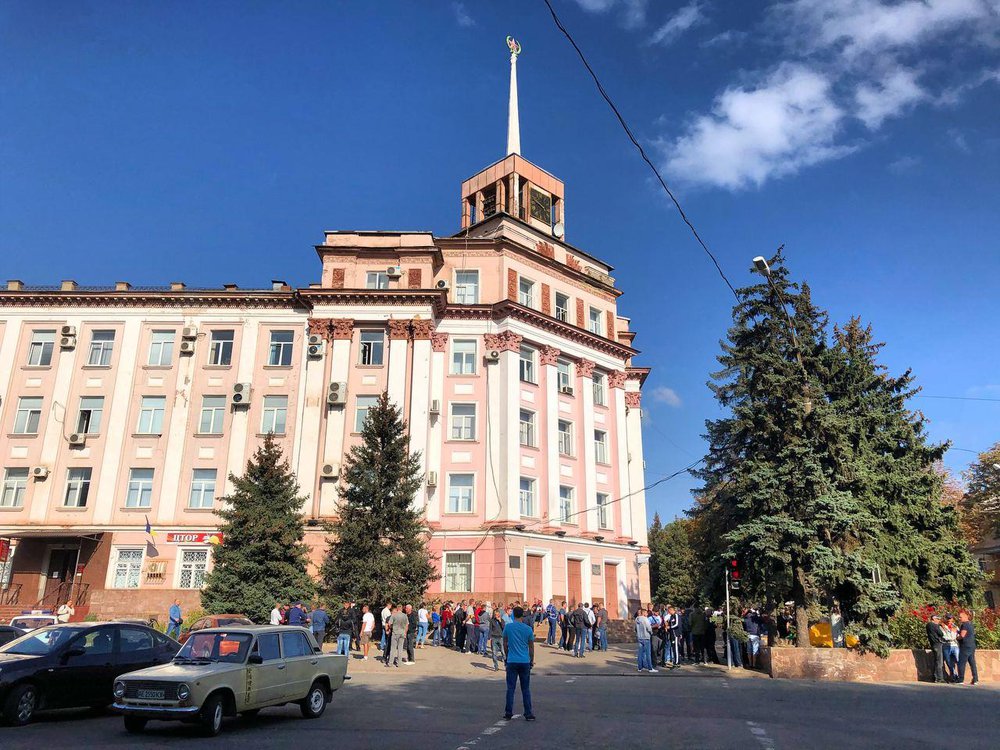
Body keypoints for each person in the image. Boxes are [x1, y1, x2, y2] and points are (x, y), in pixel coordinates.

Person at [502, 606, 535, 721]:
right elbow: (531, 647)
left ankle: (508, 712)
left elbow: (505, 644)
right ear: (523, 615)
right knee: (525, 689)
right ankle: (528, 713)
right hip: (524, 661)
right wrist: (531, 660)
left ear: (513, 615)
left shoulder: (508, 627)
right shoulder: (528, 629)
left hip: (512, 660)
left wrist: (507, 656)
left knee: (510, 688)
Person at [956, 611, 978, 685]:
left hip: (965, 646)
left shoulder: (964, 625)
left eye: (960, 617)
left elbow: (962, 635)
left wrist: (957, 638)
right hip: (972, 645)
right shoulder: (970, 624)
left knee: (961, 663)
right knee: (972, 663)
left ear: (966, 617)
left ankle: (961, 679)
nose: (959, 618)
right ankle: (975, 679)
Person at [925, 613, 946, 683]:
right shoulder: (934, 625)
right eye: (938, 619)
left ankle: (936, 677)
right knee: (939, 662)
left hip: (933, 644)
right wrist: (941, 627)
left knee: (937, 661)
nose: (939, 621)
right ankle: (939, 678)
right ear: (933, 619)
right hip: (937, 644)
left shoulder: (928, 625)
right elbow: (941, 633)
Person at [635, 608, 656, 673]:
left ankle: (639, 668)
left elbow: (635, 628)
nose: (647, 614)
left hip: (640, 637)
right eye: (646, 613)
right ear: (643, 613)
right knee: (648, 653)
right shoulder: (645, 619)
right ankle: (650, 668)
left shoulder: (637, 619)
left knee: (640, 653)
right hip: (646, 637)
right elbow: (649, 628)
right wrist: (651, 633)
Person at [942, 614, 960, 682]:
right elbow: (943, 636)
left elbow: (958, 634)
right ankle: (954, 675)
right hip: (947, 645)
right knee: (948, 662)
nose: (949, 620)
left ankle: (960, 676)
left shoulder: (955, 626)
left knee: (958, 660)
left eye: (950, 618)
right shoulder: (942, 627)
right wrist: (952, 634)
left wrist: (955, 634)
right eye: (948, 618)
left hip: (955, 645)